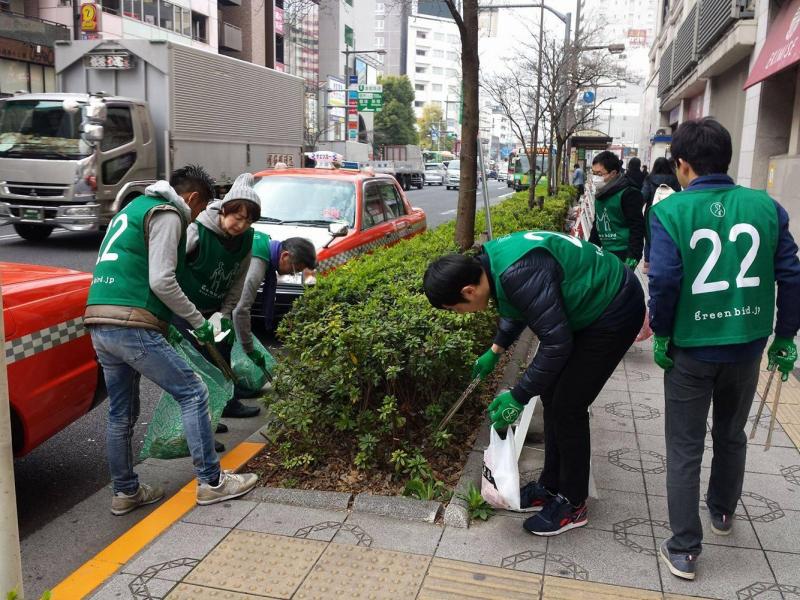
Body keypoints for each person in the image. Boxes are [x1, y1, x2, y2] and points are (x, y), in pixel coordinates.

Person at [648, 117, 800, 581]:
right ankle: (722, 512)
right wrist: (786, 337)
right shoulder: (766, 207)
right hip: (748, 347)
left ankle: (684, 549)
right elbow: (792, 274)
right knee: (731, 434)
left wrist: (661, 331)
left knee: (684, 446)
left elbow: (666, 279)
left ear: (683, 165)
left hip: (691, 350)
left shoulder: (670, 212)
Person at [423, 230, 645, 536]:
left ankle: (573, 504)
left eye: (454, 308)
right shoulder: (492, 264)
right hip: (590, 303)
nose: (459, 314)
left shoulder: (517, 272)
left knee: (569, 405)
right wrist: (495, 350)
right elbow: (522, 305)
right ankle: (550, 486)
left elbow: (557, 344)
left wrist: (519, 395)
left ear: (468, 291)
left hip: (614, 306)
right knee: (553, 395)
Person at [84, 165, 259, 516]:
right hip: (134, 323)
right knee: (194, 392)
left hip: (100, 320)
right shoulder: (167, 212)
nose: (194, 219)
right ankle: (212, 483)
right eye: (197, 210)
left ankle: (126, 491)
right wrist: (198, 321)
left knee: (121, 413)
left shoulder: (131, 208)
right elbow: (162, 280)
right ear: (192, 199)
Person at [174, 172, 262, 420]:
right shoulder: (197, 231)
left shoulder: (245, 240)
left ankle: (228, 404)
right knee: (197, 364)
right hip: (184, 309)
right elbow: (170, 267)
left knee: (222, 351)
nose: (242, 225)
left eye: (248, 220)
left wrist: (224, 313)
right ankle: (205, 420)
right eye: (238, 216)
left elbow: (238, 281)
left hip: (214, 309)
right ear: (225, 210)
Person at [233, 235, 317, 353]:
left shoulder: (266, 243)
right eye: (295, 270)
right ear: (285, 256)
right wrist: (249, 349)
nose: (292, 274)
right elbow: (241, 310)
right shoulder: (258, 264)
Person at [589, 151, 645, 269]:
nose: (595, 178)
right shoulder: (600, 194)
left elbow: (637, 226)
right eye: (593, 173)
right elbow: (597, 224)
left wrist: (634, 255)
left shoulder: (628, 193)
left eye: (599, 174)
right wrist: (590, 248)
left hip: (622, 253)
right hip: (604, 250)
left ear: (613, 173)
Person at [641, 157, 682, 269]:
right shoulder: (675, 179)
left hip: (652, 211)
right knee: (669, 235)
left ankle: (647, 263)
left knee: (649, 236)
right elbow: (678, 194)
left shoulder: (649, 179)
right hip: (670, 212)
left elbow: (644, 195)